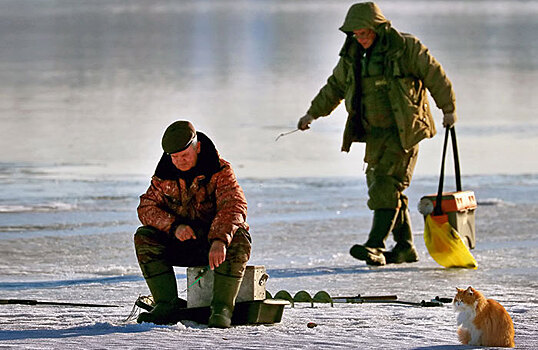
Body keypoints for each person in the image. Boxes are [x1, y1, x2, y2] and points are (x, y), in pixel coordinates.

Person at [297, 2, 457, 266]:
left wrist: (448, 109)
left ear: (378, 28)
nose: (361, 39)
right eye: (356, 34)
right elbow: (334, 86)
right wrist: (312, 114)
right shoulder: (352, 56)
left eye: (365, 33)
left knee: (384, 183)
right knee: (383, 184)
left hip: (404, 129)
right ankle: (405, 247)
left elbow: (435, 75)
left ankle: (375, 245)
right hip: (374, 133)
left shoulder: (405, 48)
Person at [134, 120, 251, 328]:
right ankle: (166, 304)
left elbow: (235, 206)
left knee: (240, 236)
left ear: (197, 147)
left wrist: (219, 240)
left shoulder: (220, 170)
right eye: (175, 157)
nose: (179, 162)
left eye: (184, 156)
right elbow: (146, 208)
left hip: (213, 246)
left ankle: (222, 308)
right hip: (181, 243)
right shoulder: (163, 175)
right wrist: (174, 226)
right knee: (144, 236)